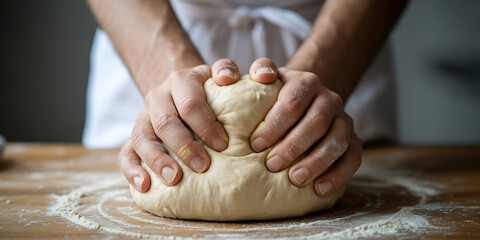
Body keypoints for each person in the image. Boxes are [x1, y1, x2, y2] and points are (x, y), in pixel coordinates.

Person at [84, 0, 407, 198]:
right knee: (157, 164)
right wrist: (175, 87)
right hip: (148, 41)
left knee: (330, 169)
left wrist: (309, 90)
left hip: (337, 40)